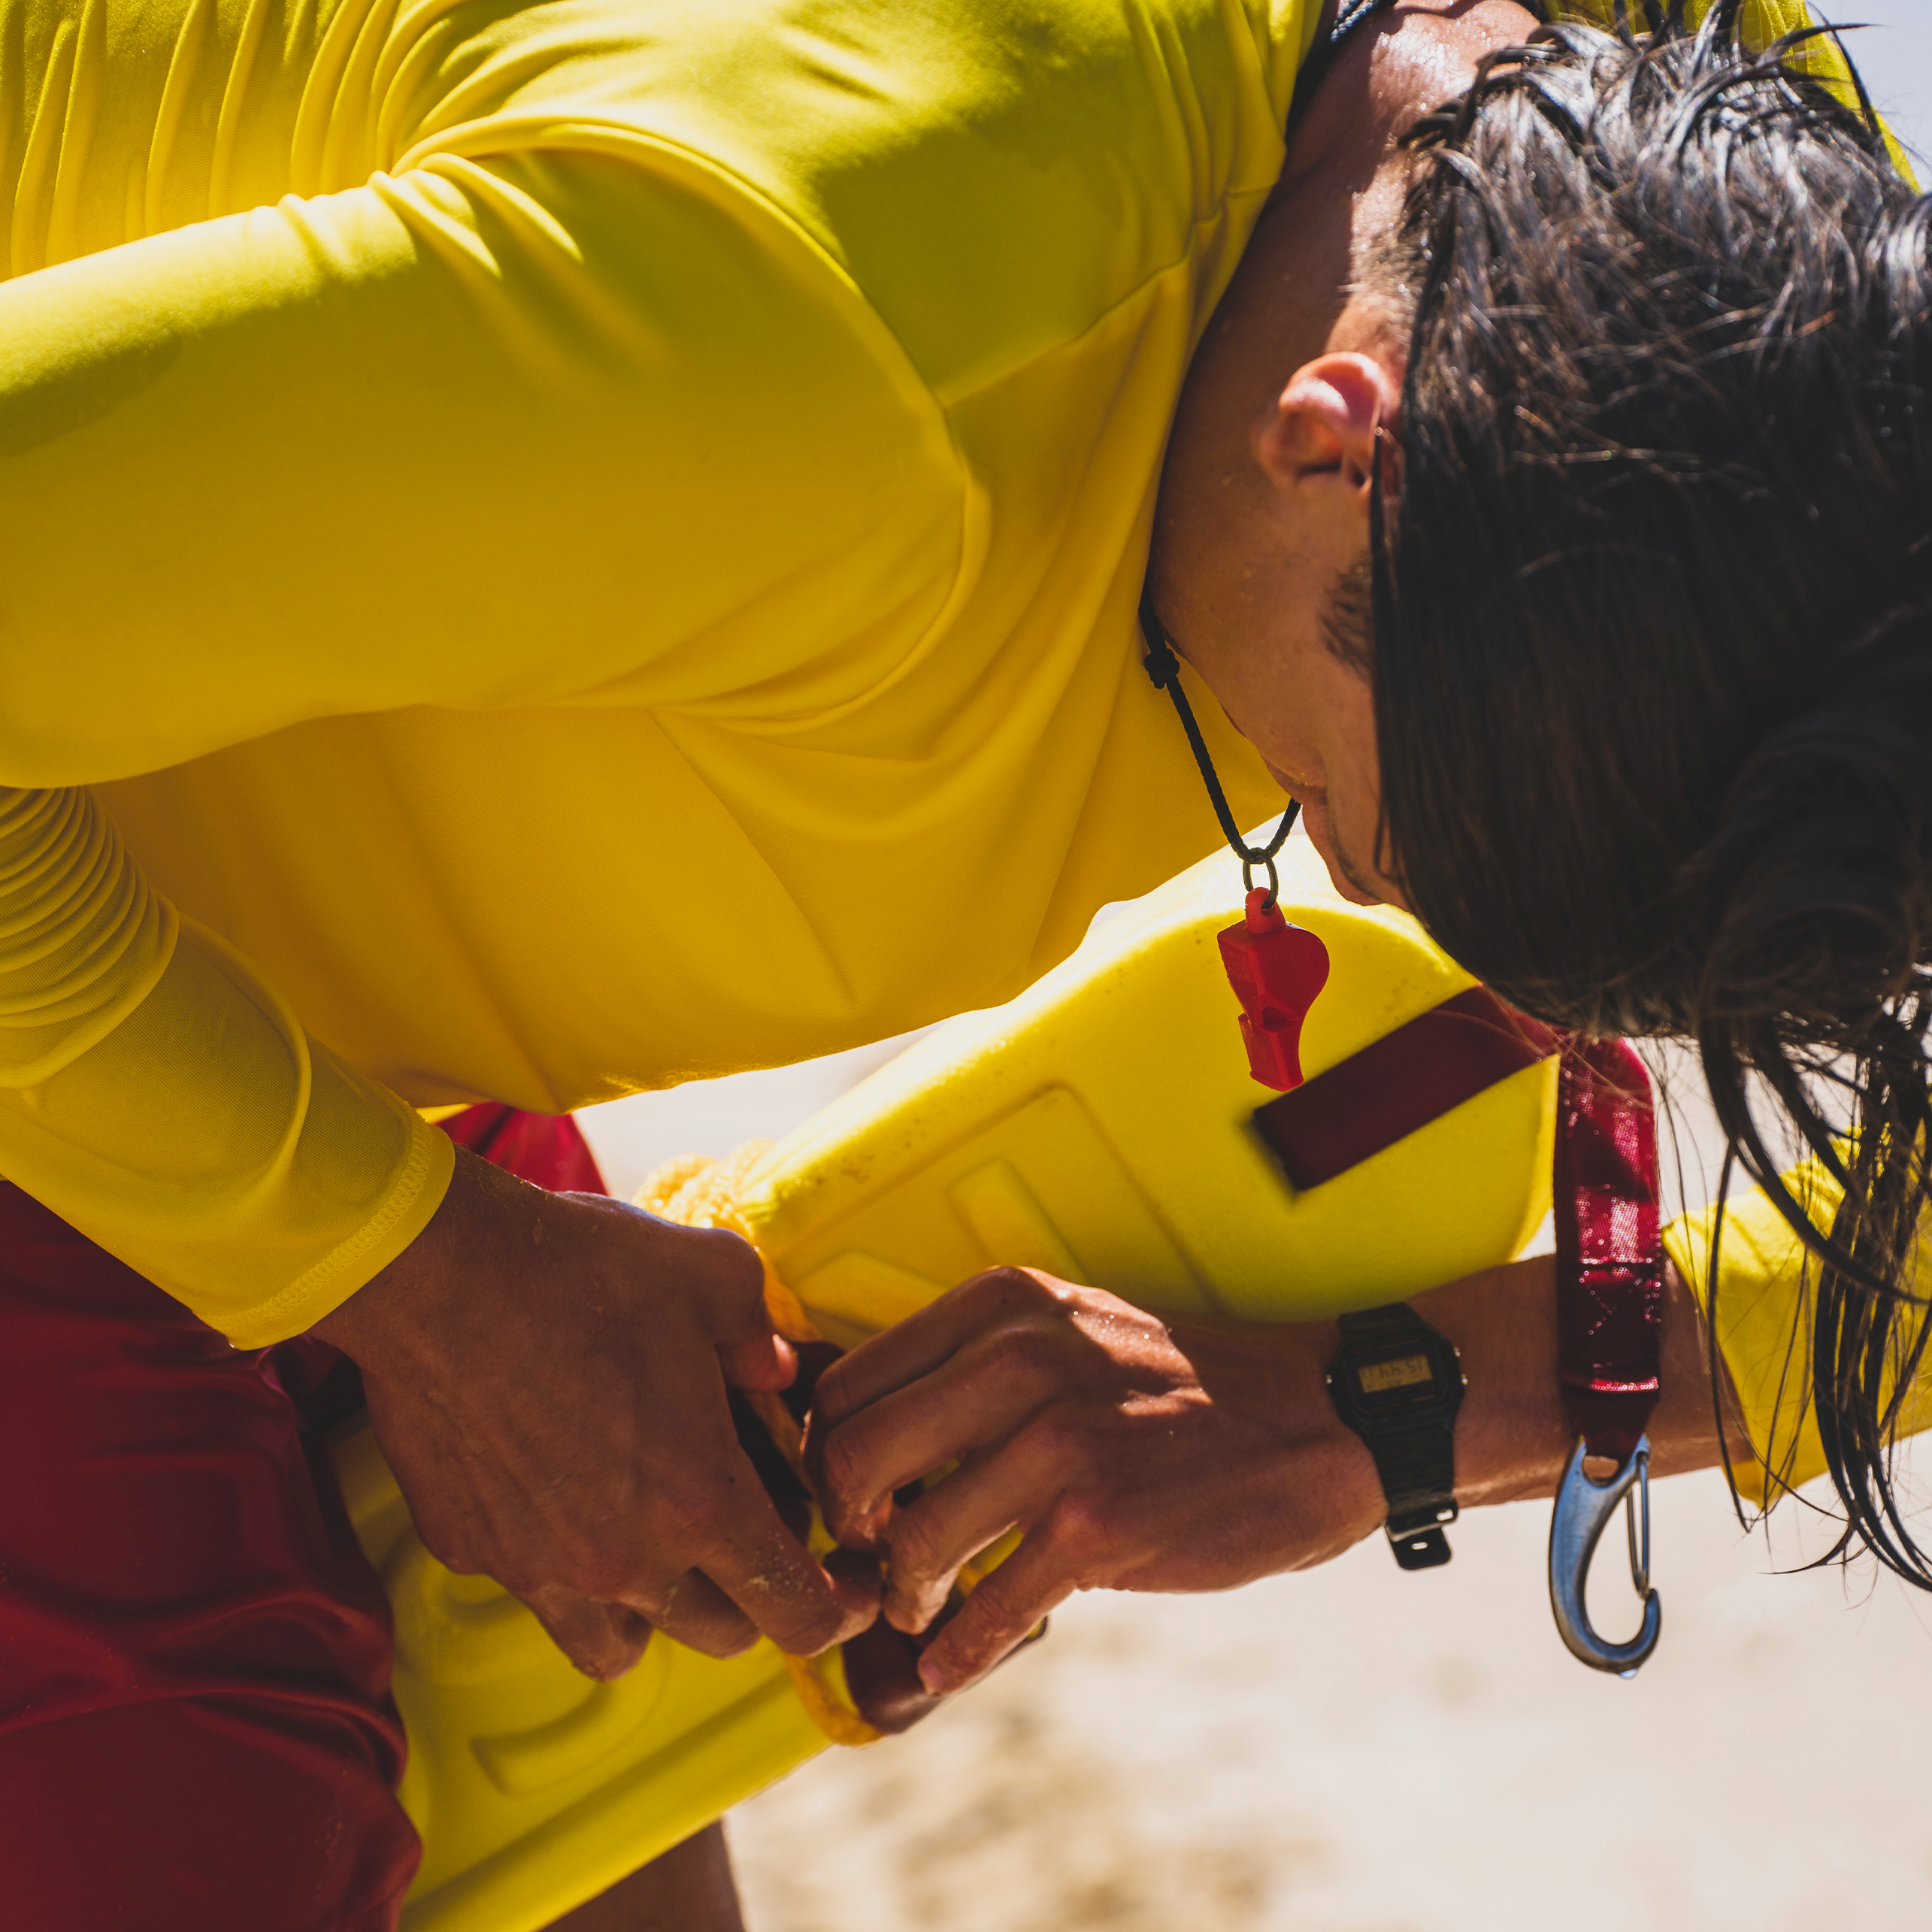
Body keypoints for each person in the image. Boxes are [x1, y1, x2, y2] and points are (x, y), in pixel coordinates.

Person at [0, 0, 1921, 1926]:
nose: (1389, 911)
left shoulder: (1755, 274)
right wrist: (416, 1278)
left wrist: (1393, 1410)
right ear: (1340, 444)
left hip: (256, 922)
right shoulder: (794, 358)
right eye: (1386, 831)